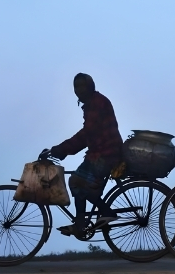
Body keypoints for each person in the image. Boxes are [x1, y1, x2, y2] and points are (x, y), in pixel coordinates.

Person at [44, 73, 124, 237]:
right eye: (76, 86)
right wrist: (62, 150)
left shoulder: (96, 103)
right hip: (102, 152)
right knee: (80, 181)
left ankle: (100, 214)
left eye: (82, 85)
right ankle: (84, 221)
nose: (79, 90)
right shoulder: (93, 103)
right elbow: (88, 135)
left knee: (76, 181)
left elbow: (87, 134)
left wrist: (61, 149)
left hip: (106, 154)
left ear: (90, 86)